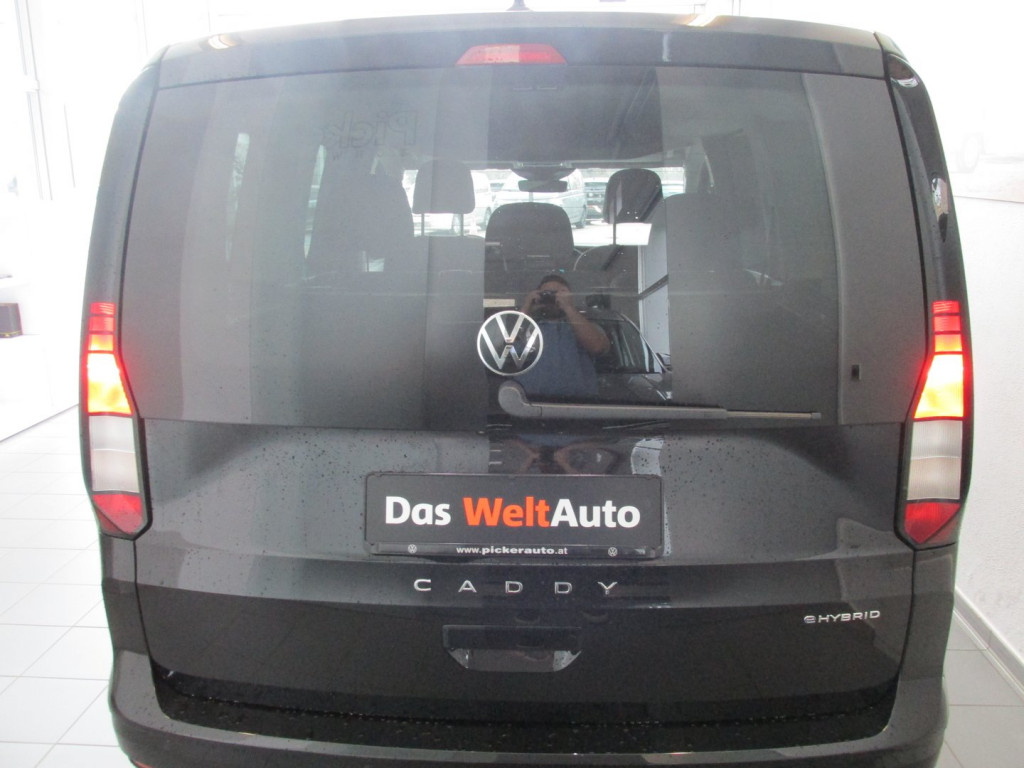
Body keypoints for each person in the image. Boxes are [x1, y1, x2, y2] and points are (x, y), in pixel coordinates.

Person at [516, 275, 610, 398]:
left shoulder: (583, 325)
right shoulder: (527, 328)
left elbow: (597, 347)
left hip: (581, 404)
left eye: (557, 294)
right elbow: (505, 350)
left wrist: (568, 307)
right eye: (546, 294)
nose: (551, 298)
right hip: (526, 403)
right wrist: (527, 307)